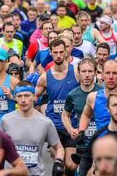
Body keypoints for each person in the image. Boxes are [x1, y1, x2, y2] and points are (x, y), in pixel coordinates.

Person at [0, 81, 65, 176]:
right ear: (15, 98)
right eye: (19, 96)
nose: (23, 100)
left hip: (36, 173)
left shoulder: (45, 122)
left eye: (27, 95)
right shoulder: (5, 120)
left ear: (34, 96)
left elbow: (59, 147)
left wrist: (58, 162)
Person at [35, 38, 79, 172]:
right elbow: (33, 98)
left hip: (72, 125)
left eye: (61, 52)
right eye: (55, 52)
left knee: (71, 165)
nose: (59, 55)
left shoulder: (76, 72)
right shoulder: (45, 77)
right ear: (50, 52)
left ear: (66, 52)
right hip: (54, 125)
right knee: (58, 162)